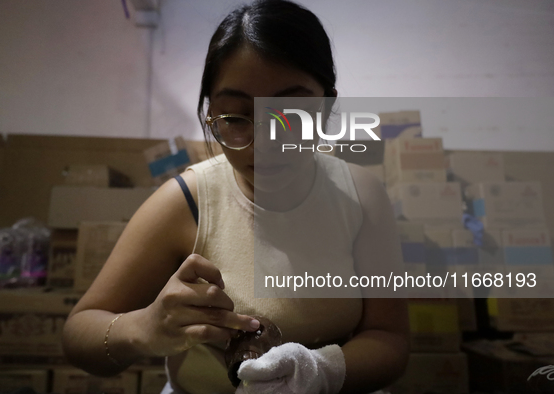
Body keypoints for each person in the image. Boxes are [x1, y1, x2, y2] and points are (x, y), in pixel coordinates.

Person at [62, 1, 409, 393]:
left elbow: (389, 337)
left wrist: (318, 371)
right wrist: (141, 327)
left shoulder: (361, 197)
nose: (264, 144)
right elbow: (78, 334)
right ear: (212, 114)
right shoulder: (186, 202)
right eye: (235, 119)